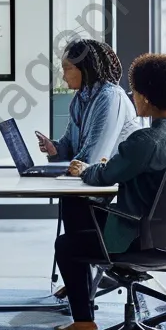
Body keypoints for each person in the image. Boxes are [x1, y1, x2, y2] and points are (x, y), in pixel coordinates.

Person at [52, 52, 166, 330]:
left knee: (67, 245)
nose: (132, 95)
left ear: (146, 97)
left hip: (136, 234)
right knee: (78, 210)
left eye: (136, 91)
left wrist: (86, 169)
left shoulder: (144, 141)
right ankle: (82, 286)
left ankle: (84, 323)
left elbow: (105, 176)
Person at [35, 39, 139, 303]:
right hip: (91, 184)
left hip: (113, 191)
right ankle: (78, 281)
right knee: (71, 204)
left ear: (86, 68)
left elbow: (93, 156)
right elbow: (70, 145)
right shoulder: (81, 98)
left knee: (73, 210)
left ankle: (80, 289)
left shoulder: (109, 97)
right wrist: (54, 148)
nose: (63, 74)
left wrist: (67, 166)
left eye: (67, 68)